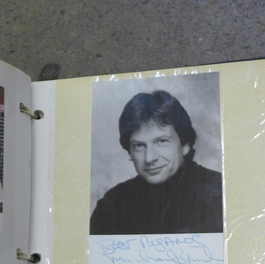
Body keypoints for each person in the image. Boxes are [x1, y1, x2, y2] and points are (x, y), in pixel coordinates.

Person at [90, 90, 223, 235]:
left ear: (185, 144)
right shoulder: (112, 203)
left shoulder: (218, 192)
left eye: (162, 141)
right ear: (129, 151)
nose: (149, 158)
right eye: (139, 146)